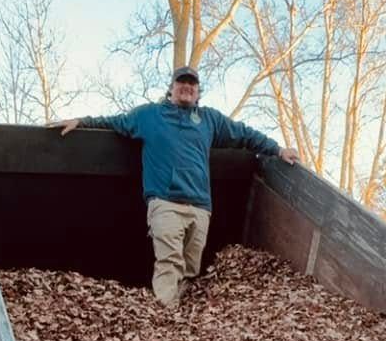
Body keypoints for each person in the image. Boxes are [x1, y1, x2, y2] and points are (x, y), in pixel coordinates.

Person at [61, 68, 296, 306]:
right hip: (165, 202)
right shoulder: (150, 115)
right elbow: (115, 122)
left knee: (190, 269)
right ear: (171, 87)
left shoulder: (209, 120)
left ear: (198, 91)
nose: (187, 87)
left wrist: (278, 150)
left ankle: (181, 319)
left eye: (192, 83)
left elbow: (244, 134)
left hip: (200, 207)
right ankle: (165, 313)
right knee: (170, 261)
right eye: (182, 82)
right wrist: (81, 121)